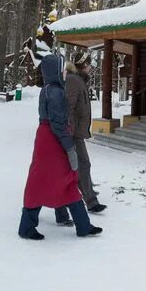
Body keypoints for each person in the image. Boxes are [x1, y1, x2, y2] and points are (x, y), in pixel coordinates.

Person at [18, 53, 101, 240]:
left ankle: (83, 225)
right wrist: (69, 147)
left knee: (60, 182)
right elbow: (57, 123)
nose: (65, 72)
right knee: (56, 180)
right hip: (52, 141)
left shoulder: (51, 88)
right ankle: (27, 227)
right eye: (63, 69)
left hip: (49, 139)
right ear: (55, 71)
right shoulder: (54, 92)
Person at [53, 56, 106, 225]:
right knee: (82, 165)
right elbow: (68, 106)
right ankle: (90, 202)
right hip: (73, 134)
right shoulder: (74, 81)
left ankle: (76, 204)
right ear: (83, 65)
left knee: (74, 167)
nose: (91, 67)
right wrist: (68, 131)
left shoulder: (78, 80)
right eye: (89, 64)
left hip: (75, 132)